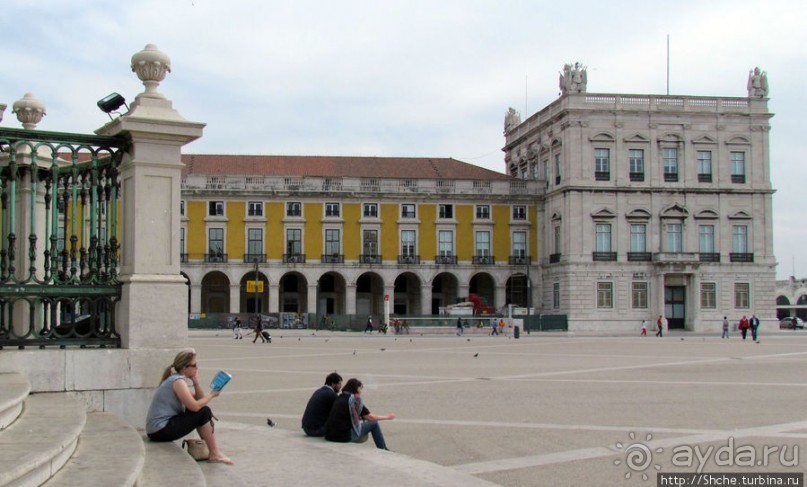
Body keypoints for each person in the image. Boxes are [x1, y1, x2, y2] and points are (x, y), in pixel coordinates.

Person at [145, 350, 233, 464]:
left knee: (204, 411)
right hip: (160, 430)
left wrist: (196, 381)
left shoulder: (177, 379)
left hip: (157, 430)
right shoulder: (178, 382)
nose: (197, 368)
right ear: (185, 367)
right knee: (204, 412)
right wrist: (212, 395)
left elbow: (199, 400)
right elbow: (195, 407)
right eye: (194, 365)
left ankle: (213, 451)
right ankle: (214, 453)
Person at [325, 378, 394, 450]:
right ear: (356, 389)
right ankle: (383, 449)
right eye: (360, 389)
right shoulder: (354, 400)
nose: (361, 391)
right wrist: (388, 417)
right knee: (374, 424)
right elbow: (370, 417)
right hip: (343, 437)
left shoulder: (340, 397)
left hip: (330, 435)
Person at [301, 372, 343, 437]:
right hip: (317, 430)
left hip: (307, 428)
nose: (340, 386)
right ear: (333, 384)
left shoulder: (319, 391)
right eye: (339, 384)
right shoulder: (331, 395)